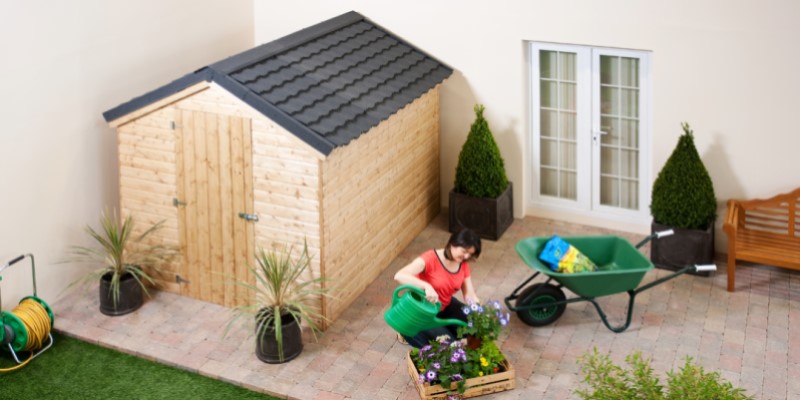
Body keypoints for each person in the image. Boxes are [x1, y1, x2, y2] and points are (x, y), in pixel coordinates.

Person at [393, 228, 482, 347]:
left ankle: (446, 331)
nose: (466, 256)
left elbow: (469, 295)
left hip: (444, 306)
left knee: (476, 329)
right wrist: (426, 286)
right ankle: (407, 331)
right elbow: (399, 275)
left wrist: (478, 308)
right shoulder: (430, 258)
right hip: (422, 312)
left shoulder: (463, 264)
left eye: (470, 254)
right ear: (453, 243)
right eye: (464, 251)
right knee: (449, 346)